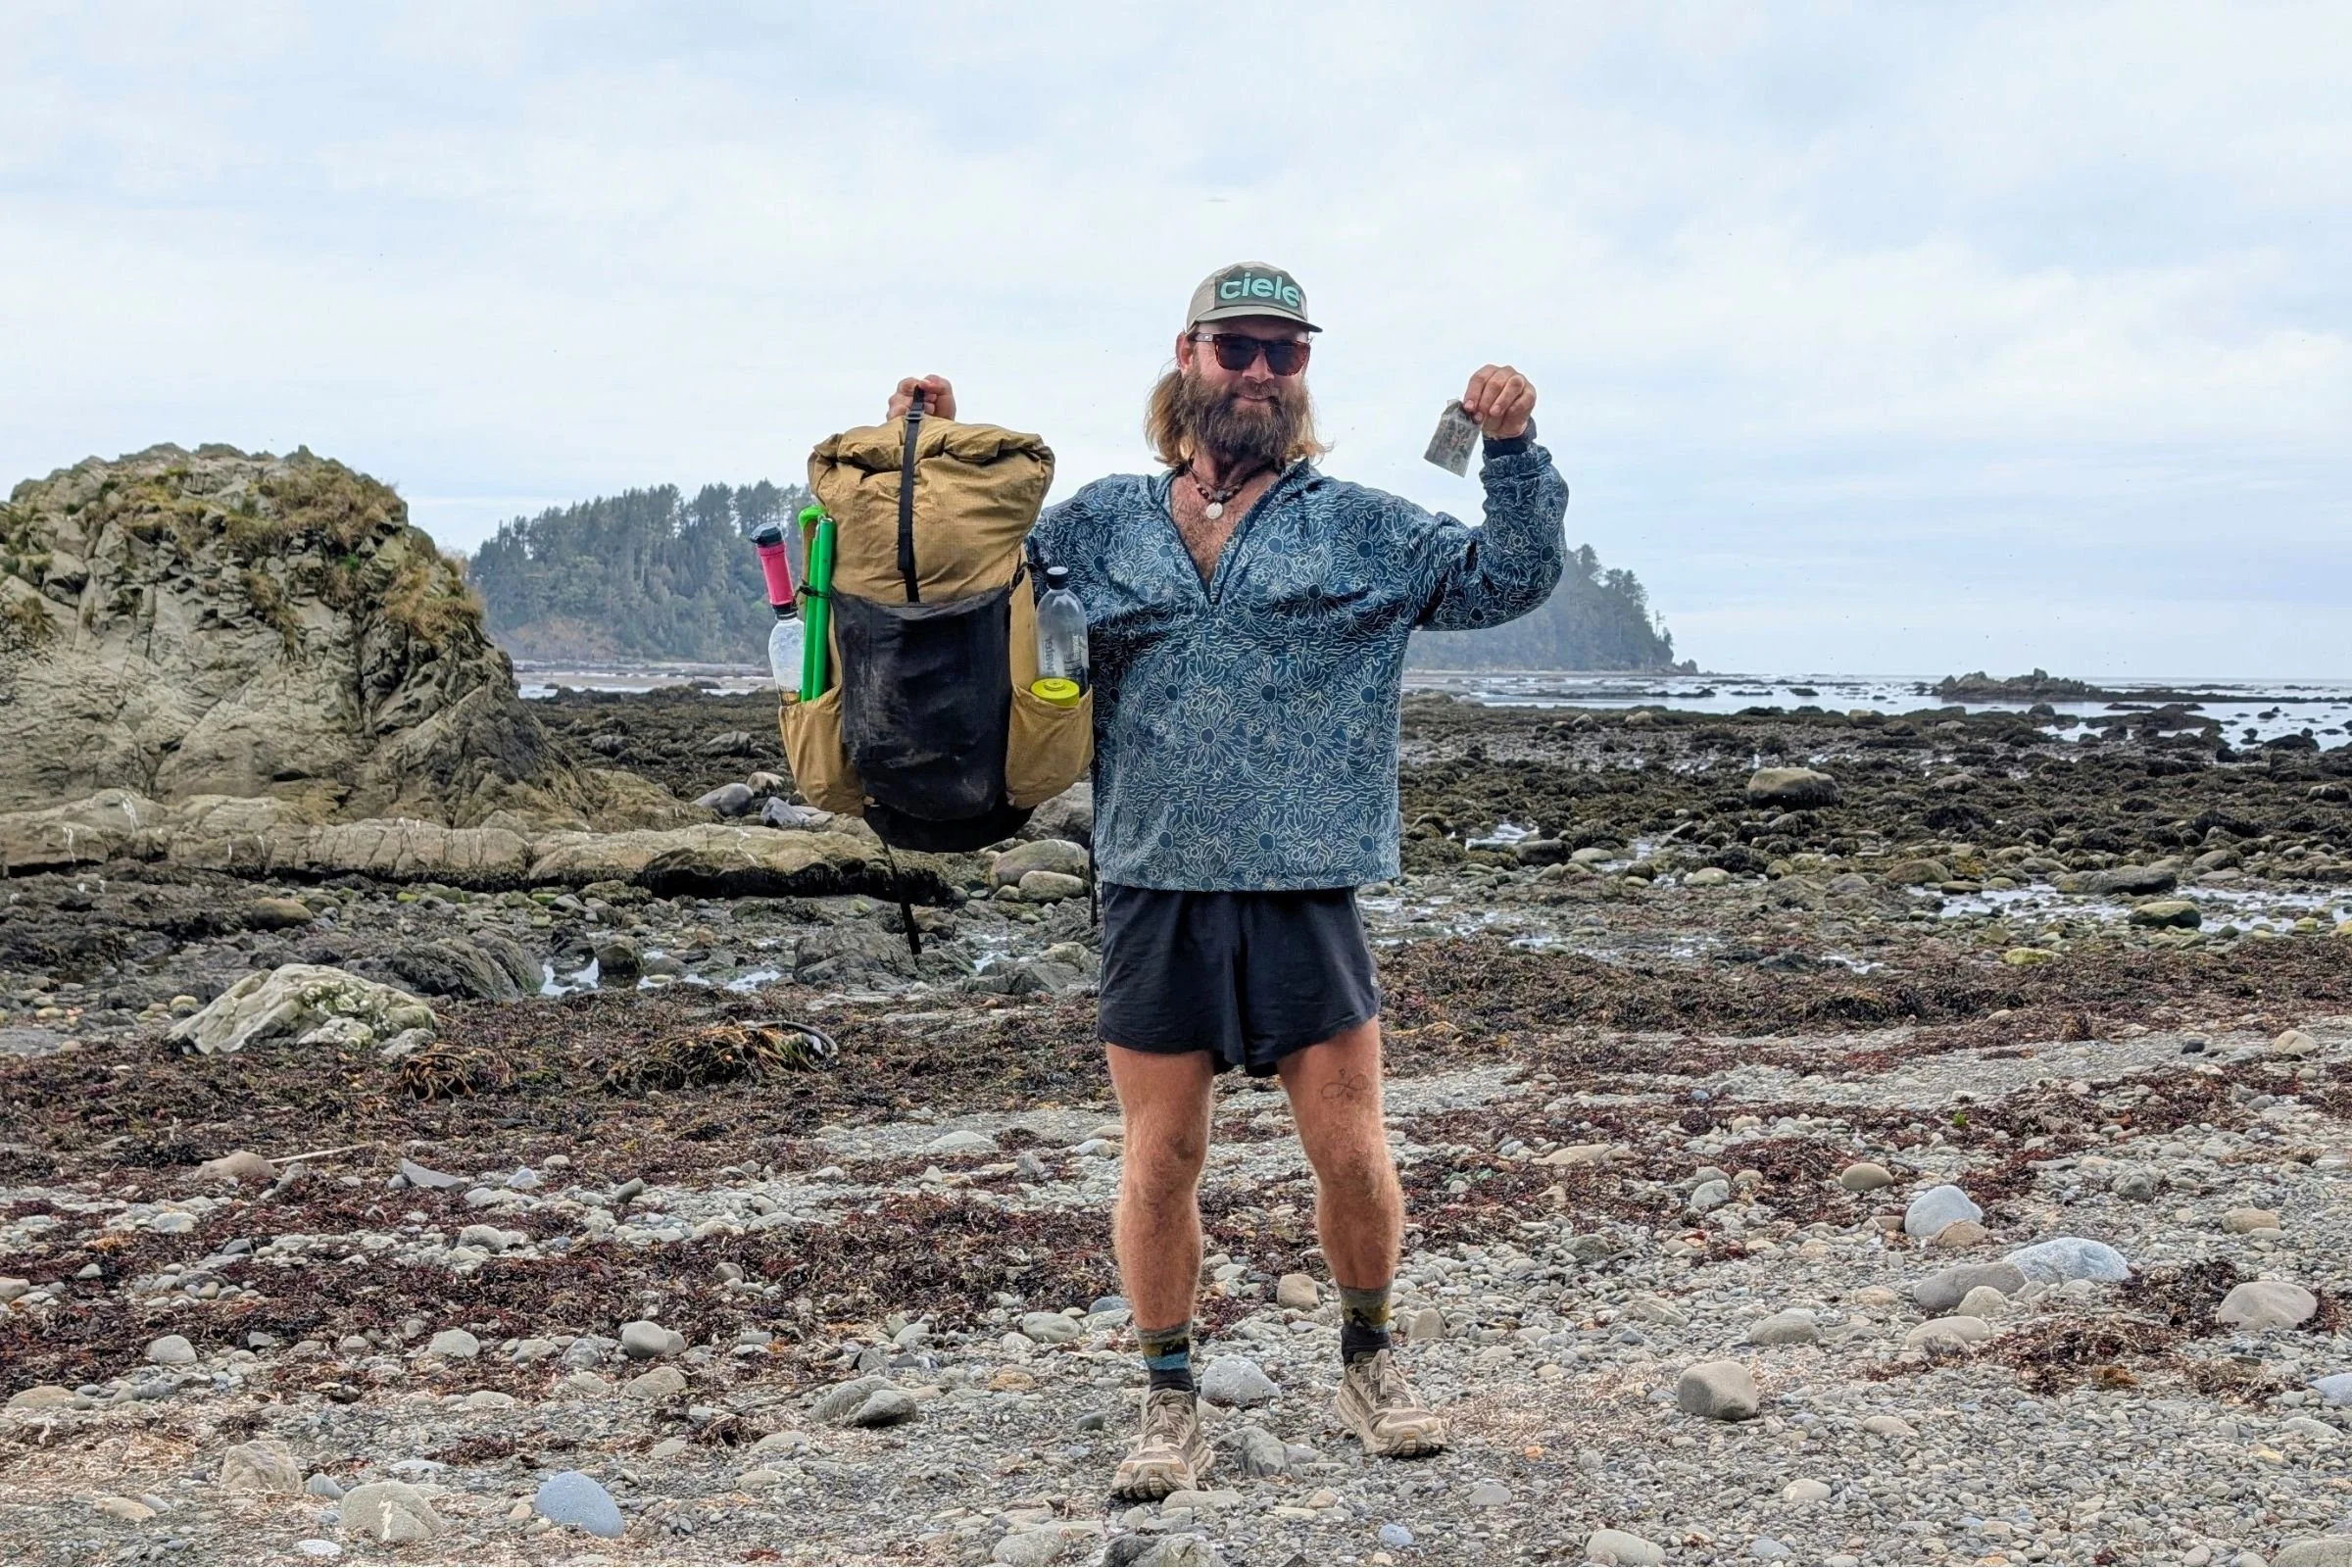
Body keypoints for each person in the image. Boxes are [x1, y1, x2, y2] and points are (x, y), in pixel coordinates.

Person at [883, 261, 1566, 1499]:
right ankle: (1165, 1400)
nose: (1257, 373)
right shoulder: (1096, 524)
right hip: (1152, 885)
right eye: (1234, 348)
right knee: (1160, 1160)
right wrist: (919, 449)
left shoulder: (1360, 527)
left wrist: (1513, 451)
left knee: (1351, 1153)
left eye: (1282, 354)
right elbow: (951, 583)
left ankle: (1369, 1360)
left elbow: (1505, 578)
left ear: (1303, 375)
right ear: (1186, 356)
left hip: (1307, 883)